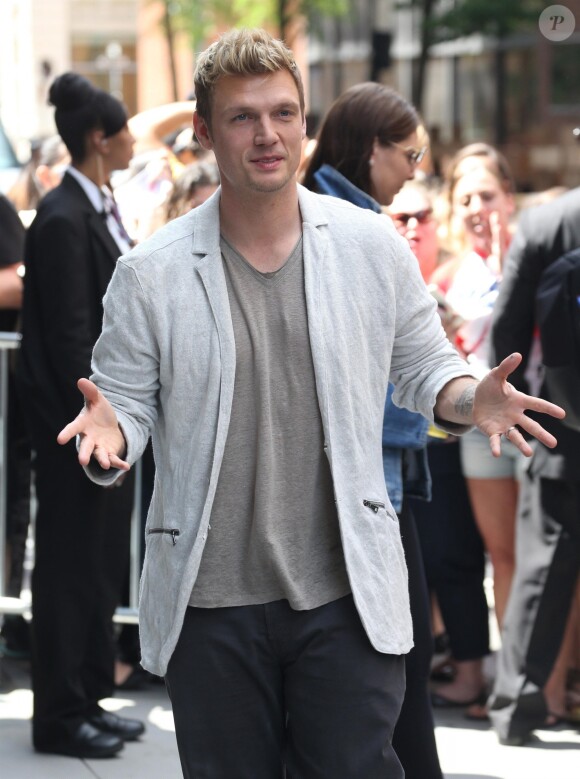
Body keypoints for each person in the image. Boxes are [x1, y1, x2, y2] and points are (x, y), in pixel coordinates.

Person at [57, 29, 564, 777]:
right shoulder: (150, 273)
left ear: (305, 124)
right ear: (203, 131)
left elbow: (428, 368)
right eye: (241, 117)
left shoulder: (371, 246)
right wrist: (113, 433)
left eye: (284, 113)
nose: (267, 134)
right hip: (210, 603)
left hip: (347, 596)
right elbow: (124, 402)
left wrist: (469, 397)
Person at [301, 84, 442, 779]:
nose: (416, 168)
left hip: (372, 473)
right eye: (410, 152)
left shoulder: (344, 220)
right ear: (372, 148)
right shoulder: (346, 227)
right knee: (389, 664)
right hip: (364, 480)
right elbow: (363, 382)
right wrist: (444, 390)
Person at [18, 72, 144, 759]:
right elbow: (71, 337)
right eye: (123, 131)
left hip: (103, 427)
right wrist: (96, 421)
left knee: (96, 569)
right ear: (100, 139)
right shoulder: (65, 216)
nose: (131, 141)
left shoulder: (92, 208)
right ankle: (61, 717)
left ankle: (89, 697)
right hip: (76, 429)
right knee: (67, 573)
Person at [427, 144, 522, 713]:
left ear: (509, 198)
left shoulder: (533, 254)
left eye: (487, 194)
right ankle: (510, 682)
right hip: (480, 431)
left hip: (539, 423)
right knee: (503, 556)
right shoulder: (448, 275)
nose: (477, 207)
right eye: (465, 198)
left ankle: (556, 677)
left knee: (548, 556)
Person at [488, 185, 580, 745]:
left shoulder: (546, 223)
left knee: (543, 568)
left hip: (561, 419)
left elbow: (508, 339)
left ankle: (515, 708)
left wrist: (524, 412)